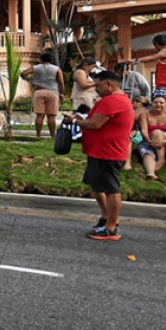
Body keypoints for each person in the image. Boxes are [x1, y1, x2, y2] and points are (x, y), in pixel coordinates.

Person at [65, 70, 134, 241]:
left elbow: (95, 124)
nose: (96, 89)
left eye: (98, 85)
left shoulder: (113, 100)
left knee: (111, 189)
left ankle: (111, 227)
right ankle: (106, 217)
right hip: (99, 151)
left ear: (109, 84)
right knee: (97, 187)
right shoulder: (113, 100)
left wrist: (74, 121)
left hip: (108, 152)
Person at [135, 34, 166, 112]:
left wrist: (134, 60)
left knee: (160, 113)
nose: (155, 49)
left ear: (157, 44)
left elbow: (153, 57)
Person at [21, 52, 65, 139]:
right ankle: (53, 135)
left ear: (41, 60)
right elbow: (61, 82)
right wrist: (61, 93)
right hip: (53, 92)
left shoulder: (36, 67)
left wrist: (30, 79)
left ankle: (38, 135)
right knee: (51, 116)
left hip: (39, 92)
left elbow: (23, 73)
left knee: (40, 115)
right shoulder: (56, 69)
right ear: (51, 60)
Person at [135, 95, 166, 180]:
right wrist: (149, 141)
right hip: (149, 140)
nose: (158, 104)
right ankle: (151, 173)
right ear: (152, 104)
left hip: (165, 141)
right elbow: (144, 130)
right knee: (147, 152)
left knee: (157, 132)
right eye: (155, 102)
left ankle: (161, 159)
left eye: (161, 103)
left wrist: (165, 142)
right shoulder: (145, 114)